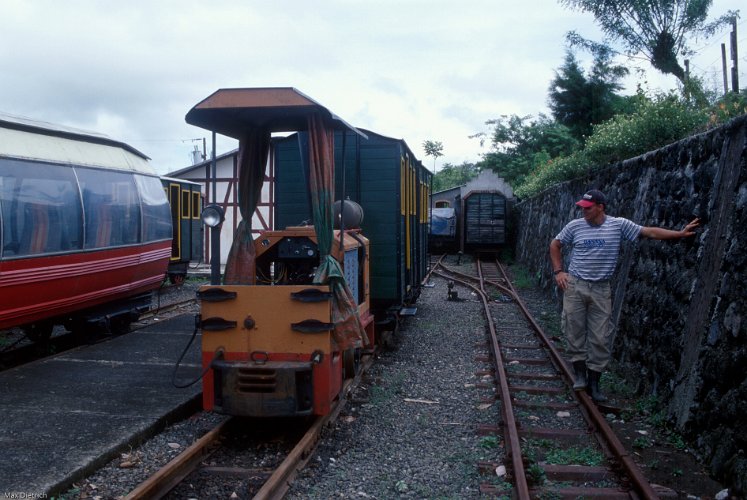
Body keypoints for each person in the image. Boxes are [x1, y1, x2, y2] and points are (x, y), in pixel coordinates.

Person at [549, 189, 700, 402]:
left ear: (601, 207)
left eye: (588, 207)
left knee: (600, 337)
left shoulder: (618, 225)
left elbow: (649, 232)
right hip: (576, 285)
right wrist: (558, 271)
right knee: (574, 330)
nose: (583, 211)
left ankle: (594, 383)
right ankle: (580, 375)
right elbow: (555, 244)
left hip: (601, 288)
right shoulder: (575, 226)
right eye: (582, 207)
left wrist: (680, 234)